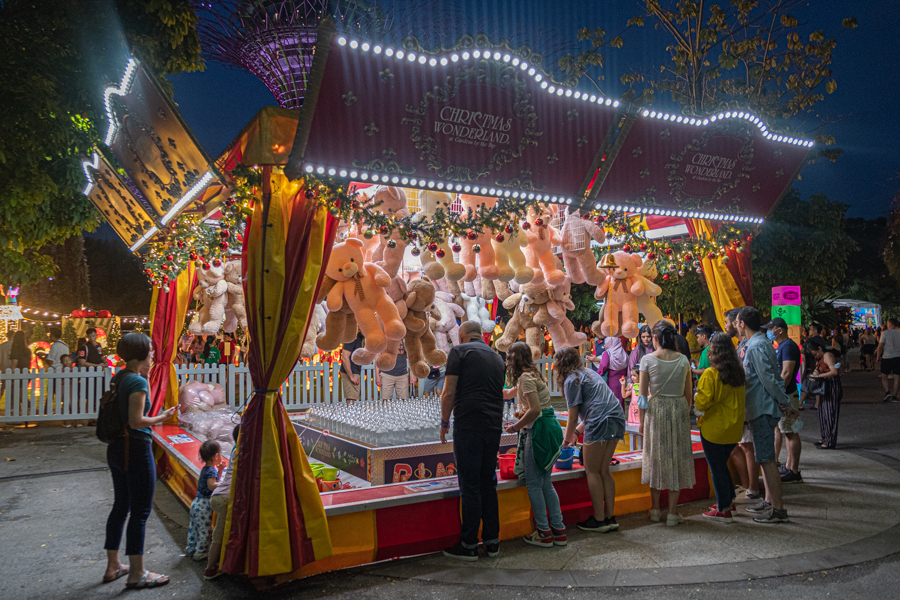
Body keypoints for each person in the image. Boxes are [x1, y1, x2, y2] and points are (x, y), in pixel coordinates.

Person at [103, 333, 178, 589]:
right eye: (150, 349)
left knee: (121, 506)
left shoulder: (120, 377)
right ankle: (137, 572)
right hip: (134, 448)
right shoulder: (137, 381)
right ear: (140, 353)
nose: (153, 353)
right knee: (140, 512)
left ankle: (113, 565)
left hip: (116, 448)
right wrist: (162, 417)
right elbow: (137, 422)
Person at [440, 321, 506, 561]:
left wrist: (444, 422)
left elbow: (449, 392)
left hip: (469, 424)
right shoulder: (498, 357)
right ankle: (492, 541)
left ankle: (468, 544)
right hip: (493, 425)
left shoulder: (460, 352)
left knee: (470, 484)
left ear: (461, 335)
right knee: (488, 481)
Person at [501, 342, 566, 547]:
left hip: (540, 431)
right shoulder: (530, 375)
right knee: (545, 483)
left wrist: (515, 427)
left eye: (509, 357)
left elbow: (535, 410)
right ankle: (558, 530)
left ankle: (543, 533)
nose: (507, 361)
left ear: (515, 359)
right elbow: (510, 393)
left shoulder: (526, 378)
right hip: (547, 428)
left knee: (533, 484)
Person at [558, 345, 626, 532]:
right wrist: (577, 434)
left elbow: (573, 417)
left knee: (592, 471)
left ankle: (598, 519)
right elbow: (598, 404)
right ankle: (610, 517)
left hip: (599, 422)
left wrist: (565, 442)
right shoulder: (588, 372)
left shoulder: (571, 380)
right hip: (616, 417)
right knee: (604, 470)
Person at [736, 306, 795, 523]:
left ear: (742, 323)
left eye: (736, 322)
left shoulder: (756, 347)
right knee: (763, 457)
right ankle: (770, 502)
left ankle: (778, 508)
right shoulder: (759, 344)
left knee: (768, 459)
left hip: (762, 408)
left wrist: (784, 402)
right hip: (760, 407)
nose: (735, 326)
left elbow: (768, 379)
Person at [638, 321, 695, 526]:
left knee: (655, 459)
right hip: (678, 409)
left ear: (655, 338)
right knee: (676, 459)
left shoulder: (647, 360)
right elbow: (688, 394)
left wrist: (642, 420)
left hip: (656, 411)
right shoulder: (683, 361)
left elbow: (642, 396)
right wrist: (684, 414)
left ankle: (654, 510)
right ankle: (672, 512)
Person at [696, 333, 746, 523]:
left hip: (714, 429)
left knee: (716, 468)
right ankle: (728, 500)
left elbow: (702, 402)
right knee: (722, 465)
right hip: (733, 429)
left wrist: (695, 399)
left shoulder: (711, 374)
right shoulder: (738, 372)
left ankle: (724, 510)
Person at [763, 318, 804, 484]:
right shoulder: (782, 346)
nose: (769, 332)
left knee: (791, 432)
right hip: (786, 395)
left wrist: (779, 395)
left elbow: (786, 373)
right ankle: (789, 466)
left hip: (787, 395)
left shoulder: (787, 346)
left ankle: (794, 471)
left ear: (779, 330)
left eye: (770, 328)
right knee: (786, 431)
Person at [205, 424, 240, 580]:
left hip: (219, 495)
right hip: (224, 499)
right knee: (220, 535)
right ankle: (210, 568)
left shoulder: (235, 449)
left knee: (221, 531)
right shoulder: (242, 451)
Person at [185, 440, 223, 562]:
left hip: (196, 503)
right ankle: (200, 553)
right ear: (216, 456)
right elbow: (211, 485)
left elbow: (211, 481)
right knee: (204, 531)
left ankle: (190, 549)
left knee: (194, 528)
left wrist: (220, 470)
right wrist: (224, 484)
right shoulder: (211, 471)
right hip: (204, 506)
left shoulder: (206, 469)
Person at [806, 336, 843, 449]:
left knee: (829, 413)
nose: (815, 356)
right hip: (824, 386)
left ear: (819, 348)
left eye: (815, 354)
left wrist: (819, 376)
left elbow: (834, 371)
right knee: (823, 413)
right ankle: (825, 437)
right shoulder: (821, 358)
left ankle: (829, 441)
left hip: (831, 385)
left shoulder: (827, 355)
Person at [597, 336, 628, 408]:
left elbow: (603, 366)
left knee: (612, 403)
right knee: (620, 402)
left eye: (606, 343)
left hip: (611, 382)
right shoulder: (623, 353)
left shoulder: (607, 353)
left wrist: (598, 373)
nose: (605, 345)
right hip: (622, 382)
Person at [876, 318, 900, 402]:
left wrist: (878, 356)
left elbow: (881, 346)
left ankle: (887, 392)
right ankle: (894, 396)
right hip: (898, 357)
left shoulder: (885, 333)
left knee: (884, 375)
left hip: (887, 357)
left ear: (890, 324)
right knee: (897, 377)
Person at [341, 331, 364, 402]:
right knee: (351, 399)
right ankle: (350, 413)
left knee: (353, 398)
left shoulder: (360, 338)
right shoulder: (352, 338)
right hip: (351, 372)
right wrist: (351, 376)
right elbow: (345, 357)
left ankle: (351, 412)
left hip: (355, 371)